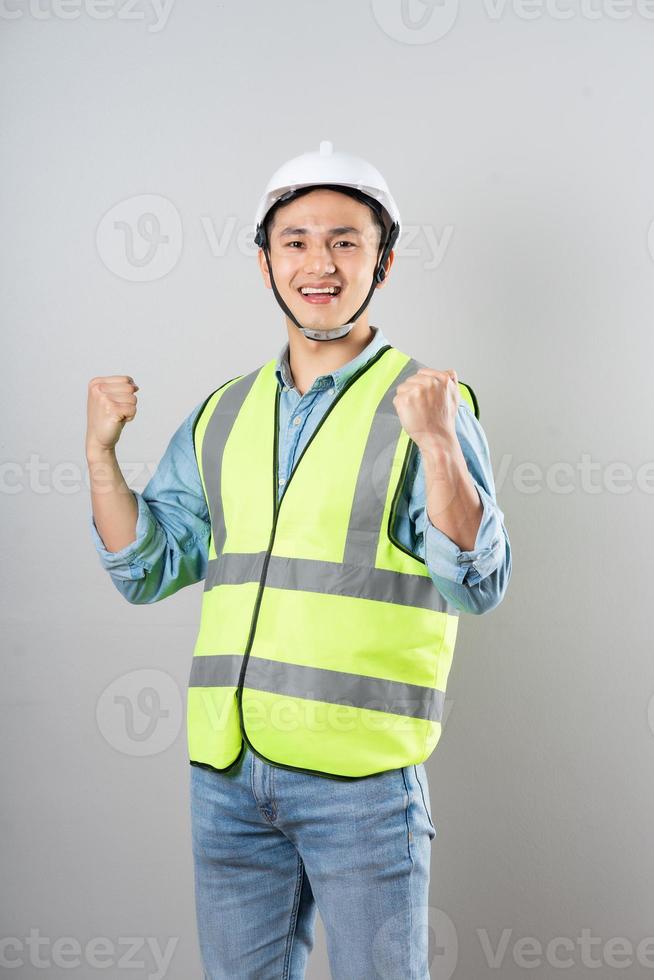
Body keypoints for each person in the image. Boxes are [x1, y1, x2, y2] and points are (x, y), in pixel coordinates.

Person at [86, 141, 512, 979]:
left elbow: (478, 583)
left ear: (382, 264)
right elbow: (146, 568)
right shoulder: (224, 411)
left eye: (346, 241)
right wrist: (101, 454)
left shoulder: (428, 402)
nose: (320, 261)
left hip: (358, 780)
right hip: (228, 774)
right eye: (297, 240)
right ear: (265, 261)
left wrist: (437, 443)